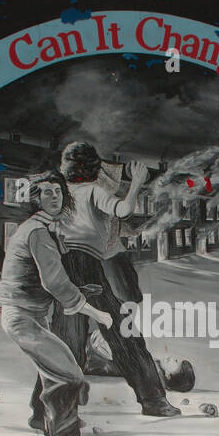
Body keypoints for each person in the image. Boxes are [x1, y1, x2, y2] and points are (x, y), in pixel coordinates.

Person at [32, 140, 180, 418]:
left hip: (62, 266)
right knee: (123, 334)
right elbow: (123, 211)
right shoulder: (92, 190)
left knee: (65, 342)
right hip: (86, 264)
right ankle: (153, 400)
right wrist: (136, 182)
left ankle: (43, 413)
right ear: (92, 169)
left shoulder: (61, 193)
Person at [0, 170, 113, 436]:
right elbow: (55, 283)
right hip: (22, 318)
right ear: (35, 198)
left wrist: (82, 290)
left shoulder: (46, 229)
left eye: (58, 191)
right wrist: (95, 311)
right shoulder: (37, 231)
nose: (54, 197)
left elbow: (48, 278)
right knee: (69, 375)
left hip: (33, 315)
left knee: (52, 368)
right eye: (46, 192)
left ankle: (41, 419)